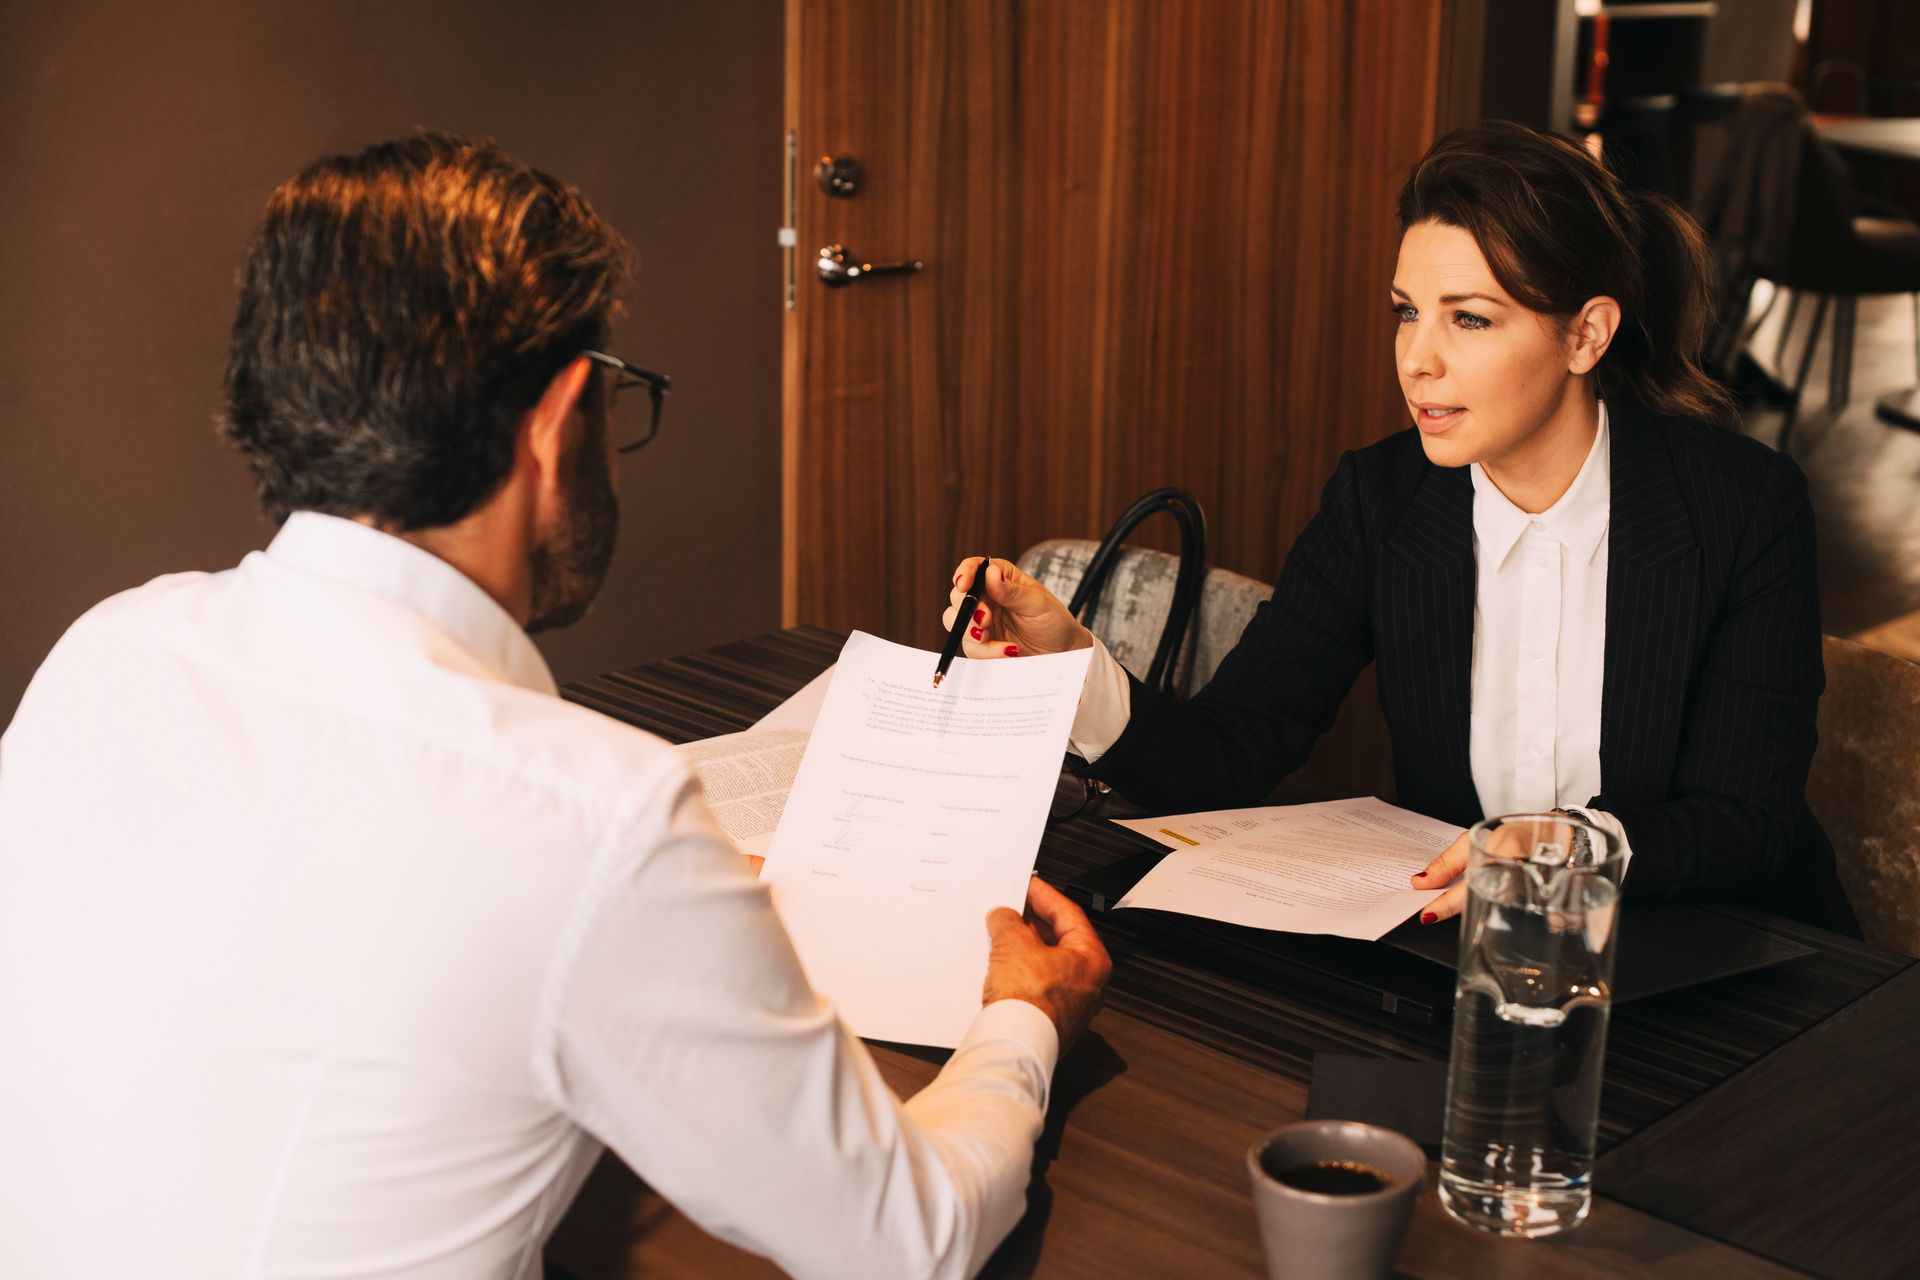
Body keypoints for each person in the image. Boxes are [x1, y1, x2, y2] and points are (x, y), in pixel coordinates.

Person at [0, 133, 1109, 1279]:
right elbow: (905, 1242)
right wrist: (1026, 1018)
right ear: (553, 417)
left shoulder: (107, 649)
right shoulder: (595, 819)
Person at [942, 120, 1858, 935]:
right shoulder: (1380, 498)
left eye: (1471, 319)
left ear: (1587, 336)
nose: (1418, 359)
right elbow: (1230, 753)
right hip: (1468, 956)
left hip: (1715, 951)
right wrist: (1067, 667)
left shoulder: (1744, 505)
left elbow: (1748, 824)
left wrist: (1569, 843)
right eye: (1407, 312)